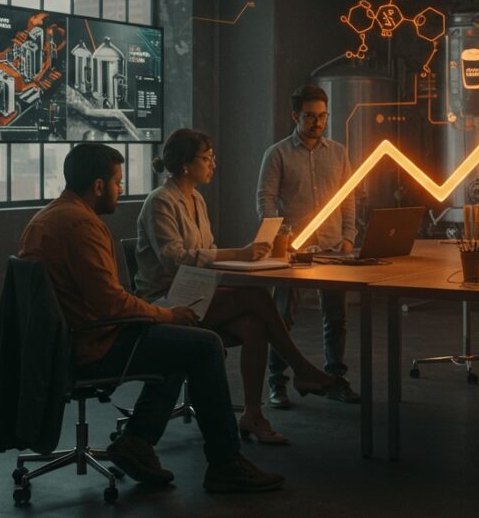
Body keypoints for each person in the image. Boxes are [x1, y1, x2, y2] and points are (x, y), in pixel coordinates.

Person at [18, 143, 281, 492]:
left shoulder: (46, 218)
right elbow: (112, 304)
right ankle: (226, 463)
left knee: (180, 345)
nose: (121, 189)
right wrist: (165, 315)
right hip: (91, 344)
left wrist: (162, 319)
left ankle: (136, 442)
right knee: (204, 345)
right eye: (117, 182)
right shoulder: (82, 225)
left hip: (62, 342)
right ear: (98, 186)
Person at [135, 128, 352, 444]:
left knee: (253, 326)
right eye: (206, 159)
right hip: (166, 299)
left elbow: (205, 252)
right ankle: (302, 369)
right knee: (257, 297)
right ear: (185, 164)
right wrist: (239, 254)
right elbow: (175, 260)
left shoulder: (196, 199)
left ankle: (253, 415)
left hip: (196, 291)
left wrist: (246, 258)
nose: (213, 164)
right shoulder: (160, 202)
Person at [256, 85, 361, 408]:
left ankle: (334, 379)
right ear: (295, 116)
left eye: (322, 116)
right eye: (310, 117)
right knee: (282, 318)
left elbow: (347, 197)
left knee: (336, 318)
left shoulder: (338, 153)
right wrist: (279, 239)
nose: (318, 123)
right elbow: (265, 199)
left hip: (332, 247)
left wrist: (348, 236)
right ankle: (277, 382)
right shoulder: (277, 154)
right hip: (293, 252)